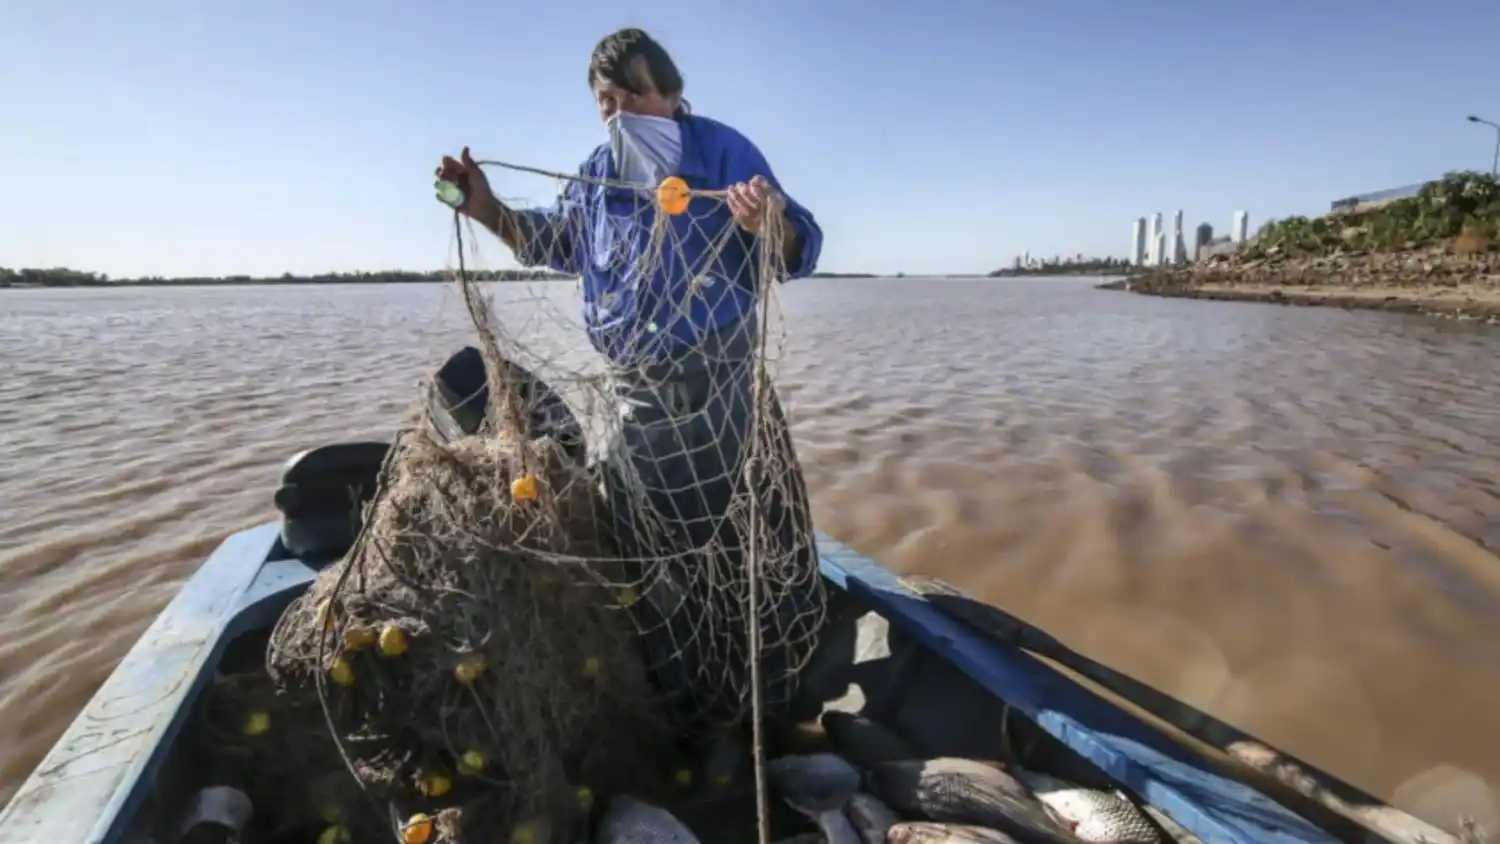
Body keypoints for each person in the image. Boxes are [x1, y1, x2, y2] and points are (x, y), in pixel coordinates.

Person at [435, 28, 825, 729]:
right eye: (606, 102)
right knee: (640, 554)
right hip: (633, 401)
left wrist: (768, 223)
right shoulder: (597, 174)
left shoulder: (722, 152)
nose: (619, 115)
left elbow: (798, 249)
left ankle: (760, 699)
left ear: (671, 95)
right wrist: (486, 209)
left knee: (737, 547)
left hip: (718, 395)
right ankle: (677, 699)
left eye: (633, 97)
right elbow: (555, 243)